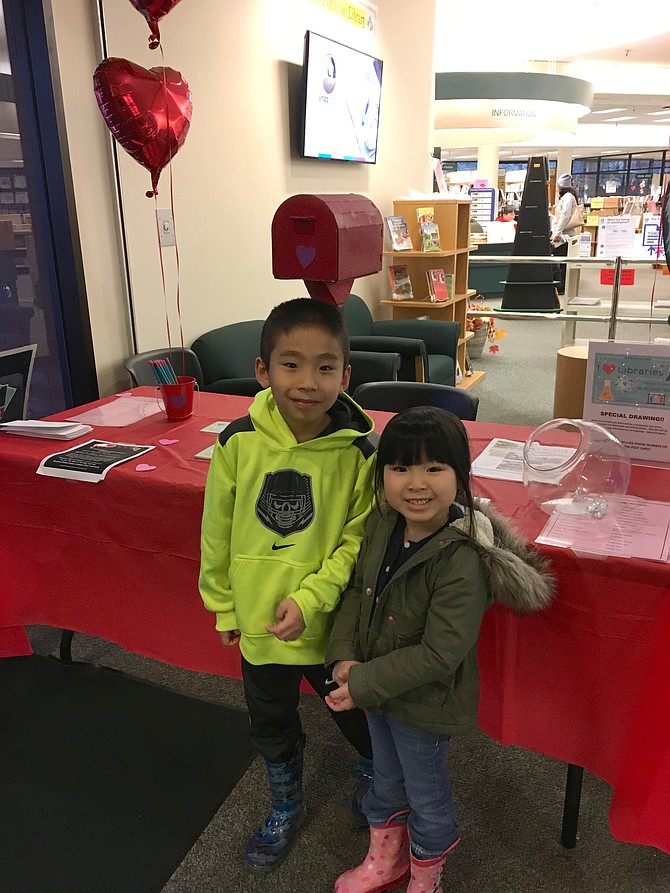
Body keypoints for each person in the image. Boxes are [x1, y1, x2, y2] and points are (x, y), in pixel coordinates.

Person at [325, 407, 554, 893]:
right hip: (377, 691)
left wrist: (361, 682)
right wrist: (344, 658)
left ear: (461, 476)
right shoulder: (383, 526)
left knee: (426, 795)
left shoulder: (462, 556)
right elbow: (355, 593)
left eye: (434, 468)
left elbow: (440, 654)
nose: (416, 483)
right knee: (385, 779)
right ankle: (386, 859)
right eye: (400, 468)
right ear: (382, 473)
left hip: (426, 705)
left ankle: (426, 875)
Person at [199, 298, 376, 873]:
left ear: (346, 376)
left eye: (325, 367)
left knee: (355, 715)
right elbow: (216, 533)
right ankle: (285, 802)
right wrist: (224, 606)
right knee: (270, 720)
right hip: (258, 623)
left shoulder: (356, 454)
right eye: (291, 365)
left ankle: (376, 773)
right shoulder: (237, 442)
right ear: (262, 371)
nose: (308, 382)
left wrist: (310, 599)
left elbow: (356, 542)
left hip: (328, 625)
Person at [551, 172, 580, 294]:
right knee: (560, 262)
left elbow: (564, 216)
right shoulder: (568, 197)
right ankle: (561, 286)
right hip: (563, 235)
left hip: (564, 237)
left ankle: (562, 287)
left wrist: (557, 234)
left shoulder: (568, 198)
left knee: (560, 263)